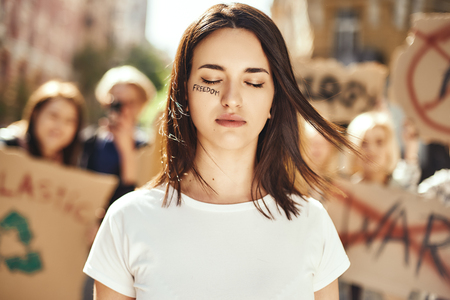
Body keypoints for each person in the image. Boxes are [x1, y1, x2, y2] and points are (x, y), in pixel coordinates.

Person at [83, 3, 358, 299]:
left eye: (253, 82)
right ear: (184, 93)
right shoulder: (128, 219)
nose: (232, 99)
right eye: (211, 80)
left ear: (274, 101)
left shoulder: (311, 223)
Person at [80, 65, 156, 207]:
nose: (124, 110)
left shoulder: (148, 148)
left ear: (142, 105)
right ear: (106, 102)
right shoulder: (89, 141)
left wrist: (127, 149)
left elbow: (141, 195)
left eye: (131, 103)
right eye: (117, 103)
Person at [0, 80, 85, 166]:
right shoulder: (5, 148)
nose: (59, 126)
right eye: (53, 116)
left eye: (69, 120)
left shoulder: (69, 164)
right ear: (35, 114)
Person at [346, 111, 421, 191]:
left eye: (379, 142)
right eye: (364, 143)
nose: (371, 149)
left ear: (389, 148)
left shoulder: (402, 190)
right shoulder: (344, 193)